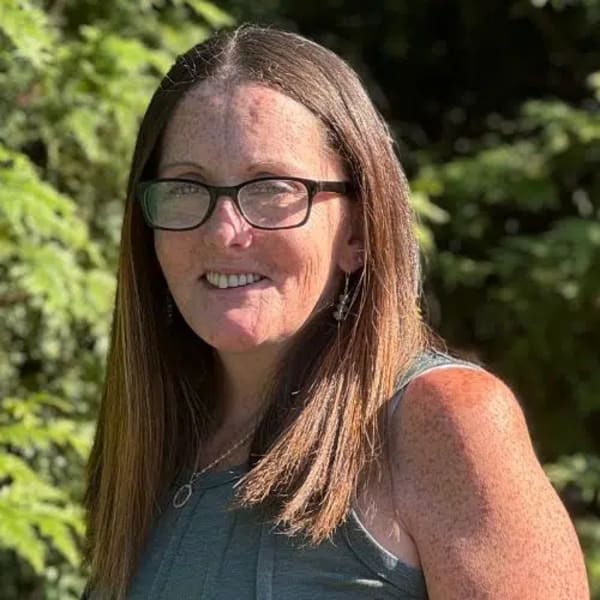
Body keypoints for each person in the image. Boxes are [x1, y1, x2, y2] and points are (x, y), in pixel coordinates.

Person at [81, 25, 589, 600]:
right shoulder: (150, 451)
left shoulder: (442, 423)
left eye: (272, 188)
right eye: (185, 188)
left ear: (357, 232)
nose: (224, 231)